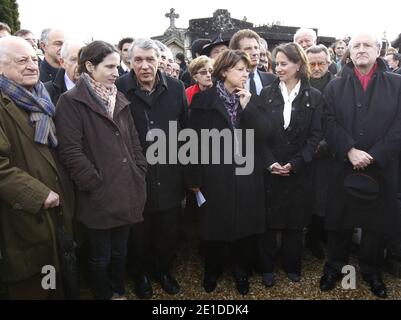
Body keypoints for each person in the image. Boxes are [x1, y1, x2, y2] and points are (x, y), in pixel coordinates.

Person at [55, 41, 147, 300]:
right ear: (89, 66)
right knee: (100, 256)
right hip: (97, 197)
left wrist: (139, 169)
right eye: (110, 66)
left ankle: (117, 290)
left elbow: (134, 139)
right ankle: (103, 294)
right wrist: (95, 183)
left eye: (118, 66)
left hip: (127, 190)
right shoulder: (70, 102)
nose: (117, 72)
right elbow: (71, 152)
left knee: (120, 251)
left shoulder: (118, 97)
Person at [320, 33, 401, 299]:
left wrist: (374, 154)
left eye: (368, 45)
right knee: (339, 221)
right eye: (356, 46)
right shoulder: (335, 85)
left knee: (376, 226)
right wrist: (349, 150)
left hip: (382, 167)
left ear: (379, 50)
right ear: (349, 53)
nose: (361, 49)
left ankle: (371, 271)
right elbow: (328, 121)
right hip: (344, 165)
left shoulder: (397, 84)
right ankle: (334, 267)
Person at [0, 36, 75, 299]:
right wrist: (38, 194)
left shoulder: (42, 98)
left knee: (56, 273)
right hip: (24, 214)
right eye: (22, 61)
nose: (32, 66)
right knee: (34, 281)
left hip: (57, 206)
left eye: (34, 59)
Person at [187, 49, 266, 295]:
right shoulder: (203, 100)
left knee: (244, 226)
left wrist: (248, 107)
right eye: (240, 70)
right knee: (214, 226)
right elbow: (192, 141)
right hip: (215, 174)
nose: (246, 74)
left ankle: (241, 271)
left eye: (247, 69)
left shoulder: (252, 98)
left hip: (246, 172)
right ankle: (212, 270)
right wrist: (194, 178)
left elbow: (266, 133)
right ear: (224, 72)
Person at [116, 38, 187, 299]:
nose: (145, 66)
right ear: (130, 62)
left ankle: (163, 271)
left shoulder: (177, 87)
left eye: (150, 59)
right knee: (138, 232)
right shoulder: (119, 87)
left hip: (169, 173)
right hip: (135, 174)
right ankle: (141, 275)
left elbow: (186, 131)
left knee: (168, 229)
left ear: (159, 60)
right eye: (138, 60)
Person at [253, 43, 323, 287]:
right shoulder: (266, 94)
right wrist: (270, 162)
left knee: (295, 222)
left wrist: (295, 164)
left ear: (298, 65)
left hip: (299, 170)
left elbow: (315, 137)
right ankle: (268, 267)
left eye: (284, 63)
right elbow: (258, 134)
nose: (278, 68)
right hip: (271, 168)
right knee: (269, 223)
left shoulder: (315, 97)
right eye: (277, 63)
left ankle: (293, 266)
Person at [303, 44, 336, 259]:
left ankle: (316, 238)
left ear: (328, 63)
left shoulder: (337, 86)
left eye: (320, 63)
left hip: (327, 152)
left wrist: (323, 144)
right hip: (302, 150)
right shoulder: (299, 84)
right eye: (311, 63)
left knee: (322, 198)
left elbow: (339, 119)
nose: (316, 68)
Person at [229, 29, 276, 96]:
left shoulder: (272, 80)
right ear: (236, 52)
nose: (254, 53)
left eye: (256, 48)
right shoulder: (228, 82)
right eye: (248, 48)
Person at [44, 40, 84, 105]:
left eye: (82, 59)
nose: (79, 65)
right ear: (62, 62)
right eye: (74, 60)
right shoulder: (47, 91)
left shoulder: (97, 89)